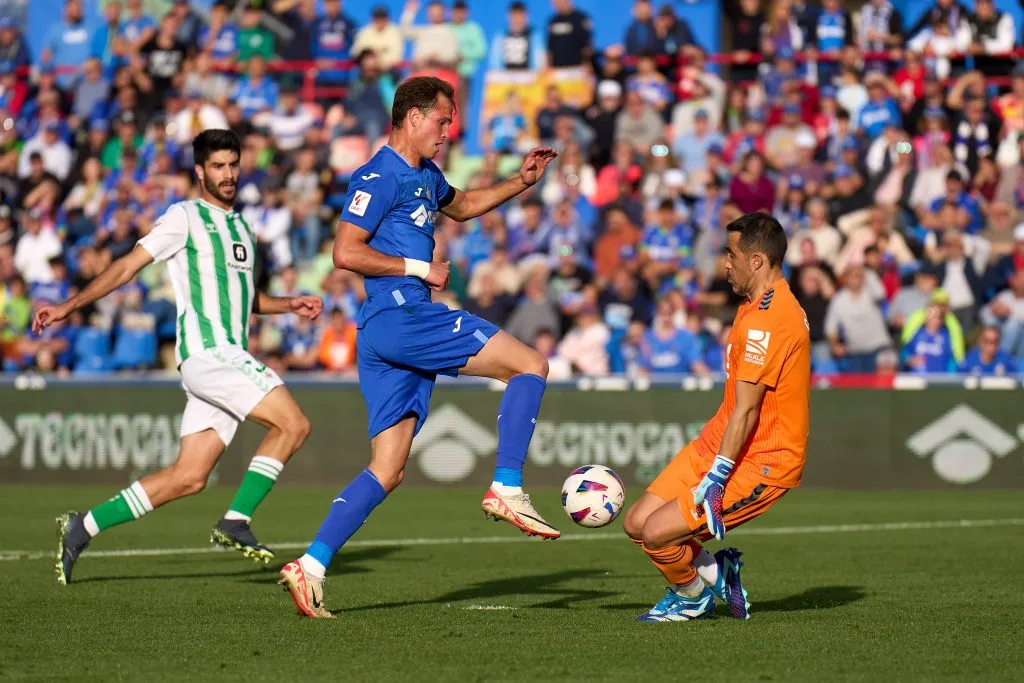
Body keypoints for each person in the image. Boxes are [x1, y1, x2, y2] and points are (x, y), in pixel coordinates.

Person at [278, 77, 559, 618]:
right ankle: (506, 485)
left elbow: (462, 205)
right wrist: (418, 268)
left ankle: (310, 566)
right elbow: (344, 252)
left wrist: (520, 182)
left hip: (387, 334)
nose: (447, 131)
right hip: (403, 316)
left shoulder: (426, 174)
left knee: (388, 469)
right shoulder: (378, 174)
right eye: (442, 120)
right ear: (412, 118)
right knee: (531, 365)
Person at [35, 130, 324, 586]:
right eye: (218, 166)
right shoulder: (184, 217)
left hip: (223, 358)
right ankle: (235, 519)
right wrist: (69, 307)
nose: (228, 174)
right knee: (294, 424)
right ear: (199, 172)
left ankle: (83, 526)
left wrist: (289, 304)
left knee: (188, 477)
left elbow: (242, 298)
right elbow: (127, 266)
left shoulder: (242, 227)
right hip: (211, 354)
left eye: (233, 164)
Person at [622, 212, 811, 622]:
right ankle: (714, 569)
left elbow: (749, 407)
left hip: (763, 461)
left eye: (731, 254)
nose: (725, 263)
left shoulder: (768, 320)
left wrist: (717, 477)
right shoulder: (752, 304)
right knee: (637, 523)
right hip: (720, 441)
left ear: (757, 260)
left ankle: (692, 596)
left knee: (657, 535)